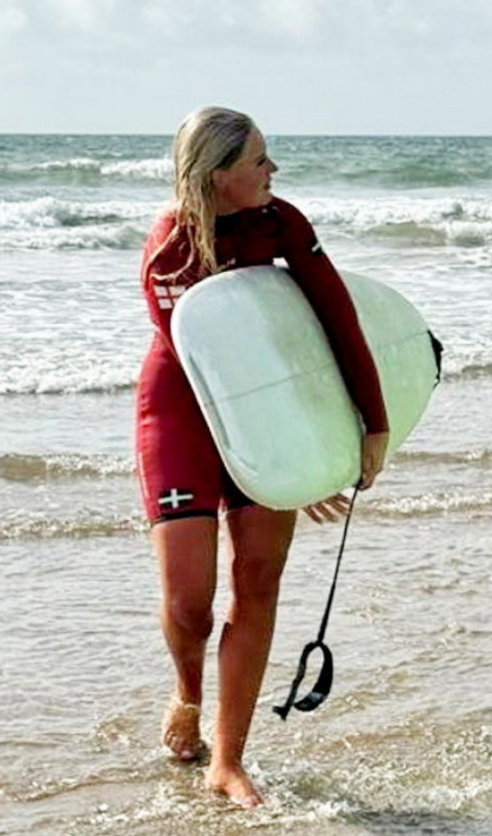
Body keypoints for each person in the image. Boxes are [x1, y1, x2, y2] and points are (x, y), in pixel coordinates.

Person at [135, 107, 390, 808]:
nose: (272, 171)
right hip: (184, 410)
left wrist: (361, 428)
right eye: (258, 161)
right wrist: (275, 453)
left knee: (258, 582)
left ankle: (229, 758)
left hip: (265, 404)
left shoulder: (283, 222)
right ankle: (187, 692)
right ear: (219, 176)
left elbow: (335, 318)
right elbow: (208, 368)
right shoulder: (168, 247)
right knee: (189, 605)